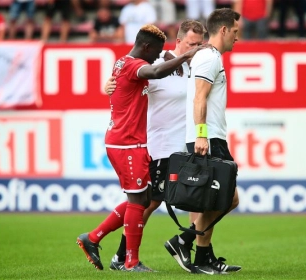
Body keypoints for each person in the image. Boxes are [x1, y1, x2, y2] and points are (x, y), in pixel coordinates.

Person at [103, 19, 240, 274]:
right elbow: (126, 83)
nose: (197, 48)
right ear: (178, 42)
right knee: (149, 202)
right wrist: (108, 86)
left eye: (200, 44)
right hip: (161, 145)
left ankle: (199, 256)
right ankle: (122, 255)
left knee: (197, 198)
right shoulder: (156, 64)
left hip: (185, 145)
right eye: (191, 44)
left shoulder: (197, 65)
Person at [76, 24, 208, 273]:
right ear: (148, 47)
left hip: (137, 142)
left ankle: (94, 239)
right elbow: (156, 71)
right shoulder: (140, 64)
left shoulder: (129, 63)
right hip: (132, 142)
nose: (157, 55)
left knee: (147, 199)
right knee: (142, 201)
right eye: (155, 51)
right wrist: (185, 55)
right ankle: (128, 261)